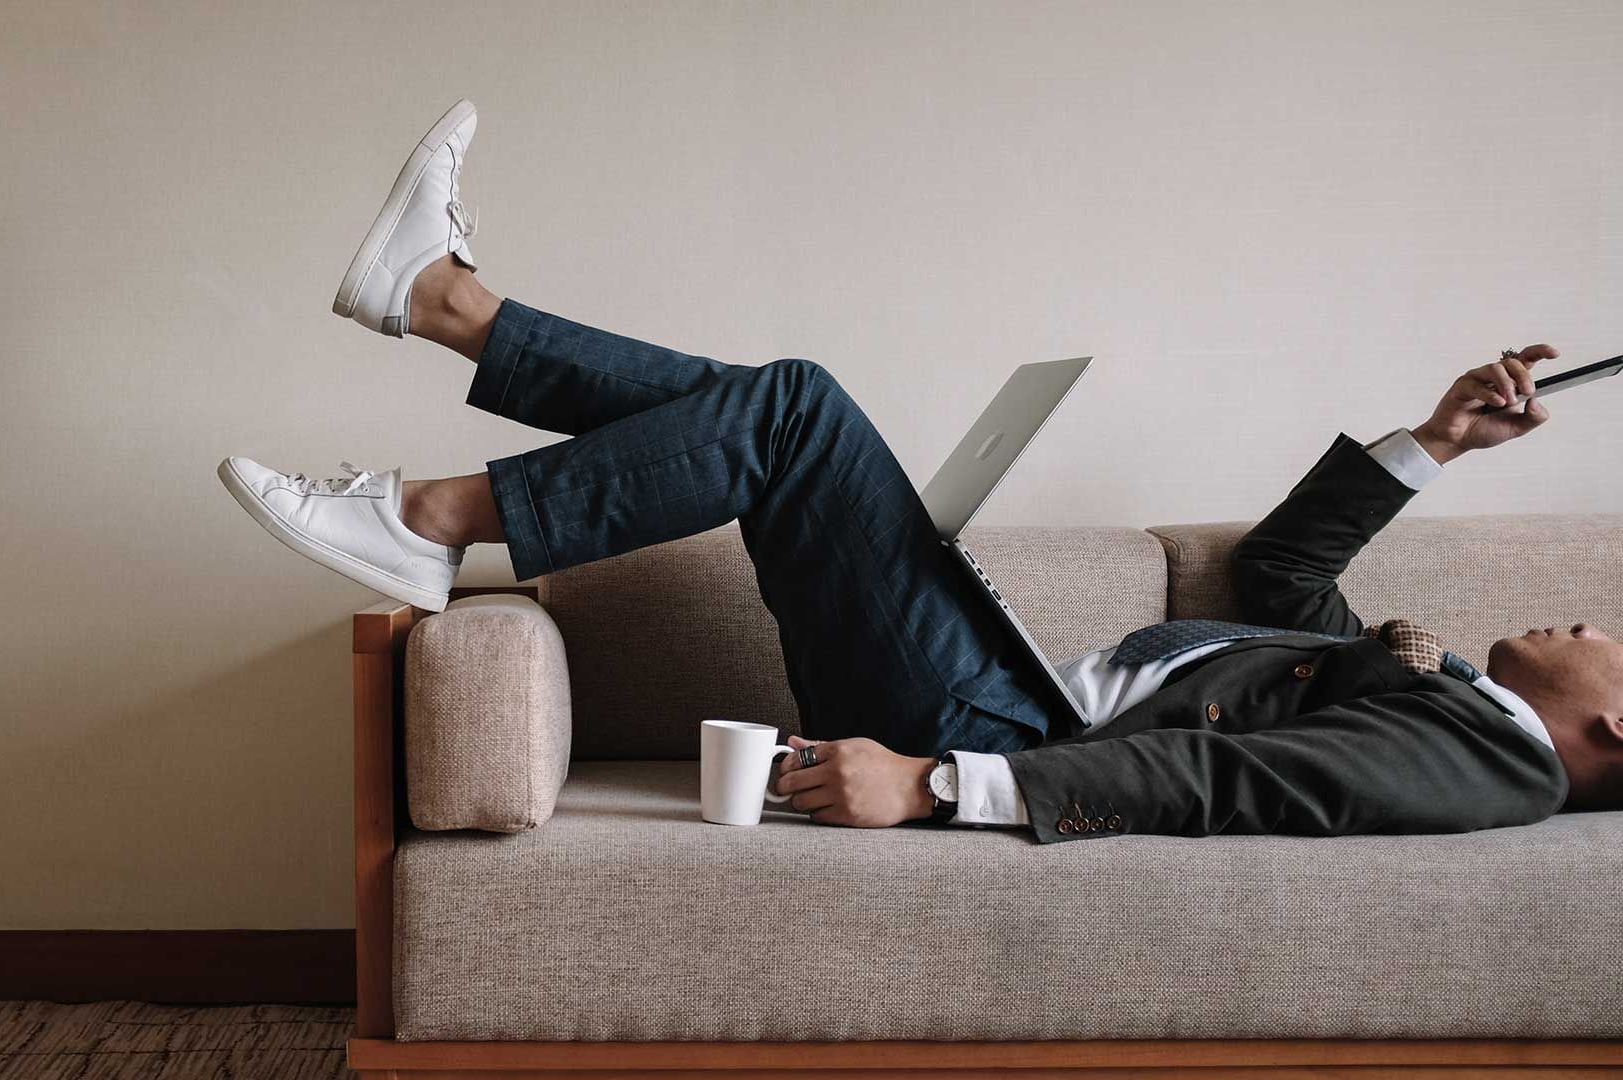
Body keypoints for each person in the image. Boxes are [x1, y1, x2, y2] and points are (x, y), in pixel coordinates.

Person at [219, 100, 1623, 840]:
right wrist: (1438, 439)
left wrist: (940, 790)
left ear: (1619, 733)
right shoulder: (1448, 704)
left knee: (792, 411)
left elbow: (1225, 788)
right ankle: (442, 308)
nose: (1588, 622)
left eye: (1612, 643)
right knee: (769, 414)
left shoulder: (1479, 766)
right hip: (993, 689)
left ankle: (430, 499)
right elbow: (1283, 572)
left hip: (993, 738)